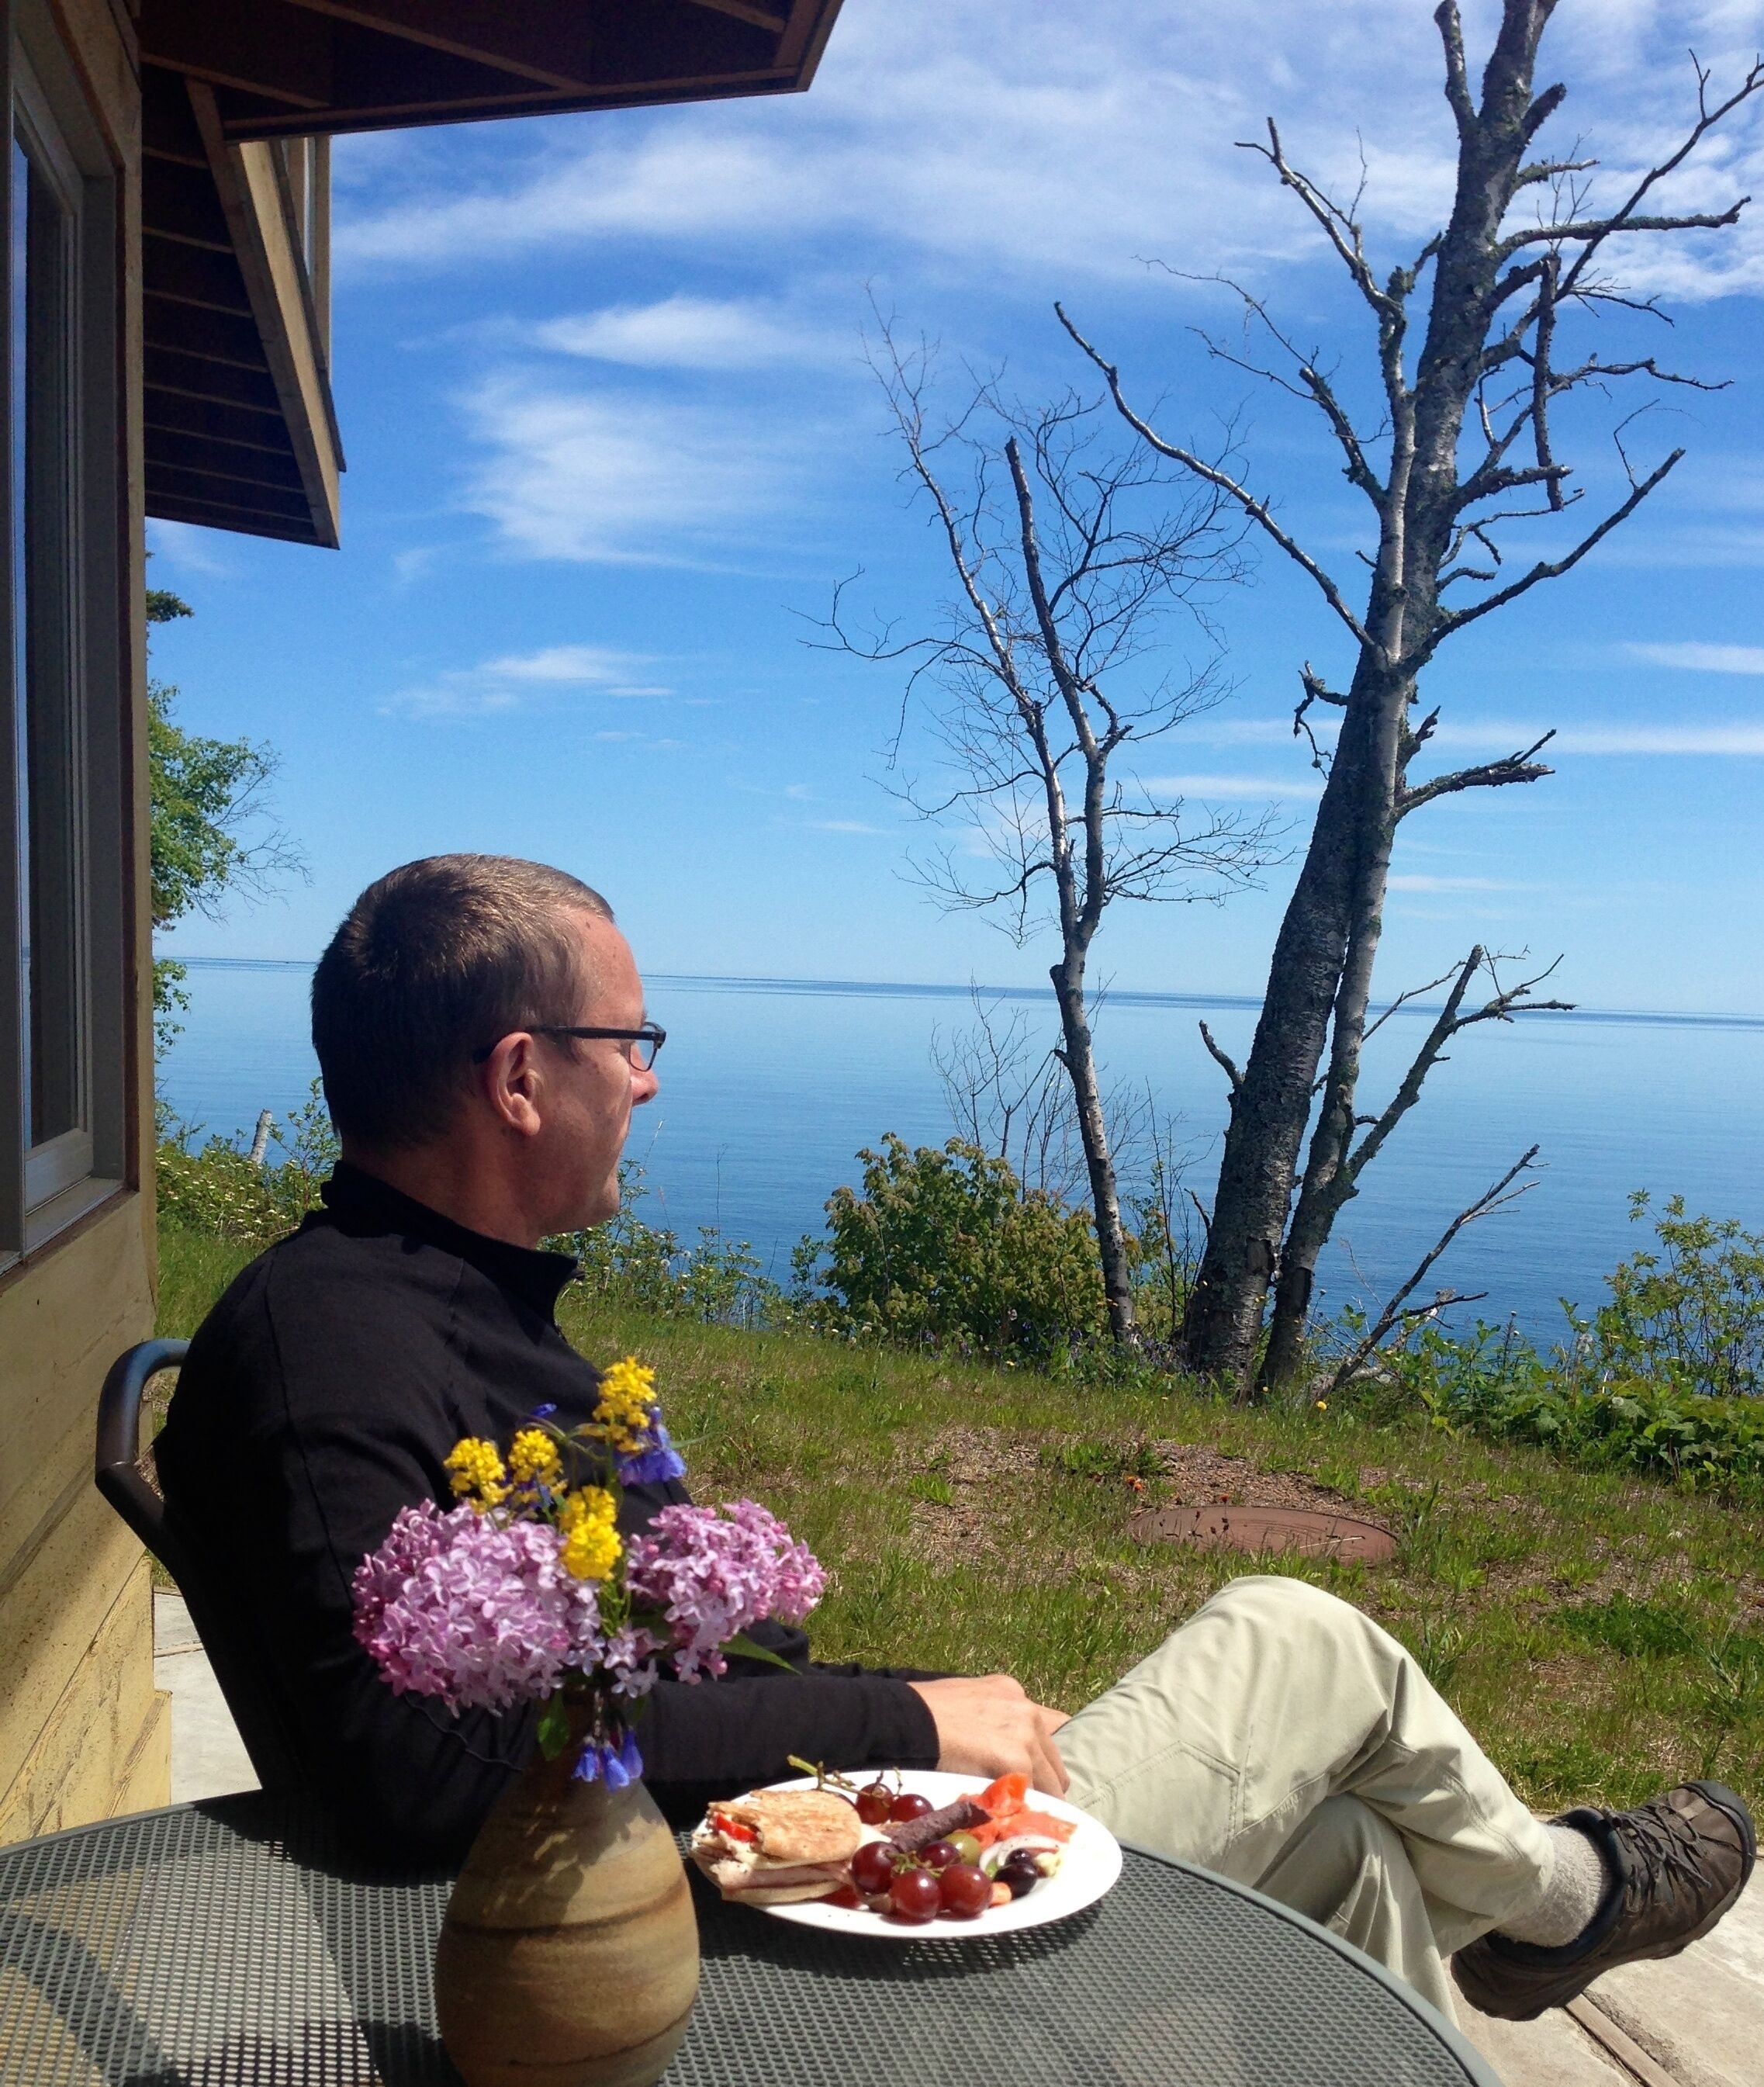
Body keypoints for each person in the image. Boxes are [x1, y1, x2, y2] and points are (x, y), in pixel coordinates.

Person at [157, 855, 1754, 2026]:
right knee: (1298, 1637)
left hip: (766, 1864)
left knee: (1349, 1852)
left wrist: (866, 1709)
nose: (645, 1080)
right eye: (628, 1042)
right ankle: (1568, 1901)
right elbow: (402, 1773)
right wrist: (912, 1721)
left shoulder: (440, 1310)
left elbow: (626, 1675)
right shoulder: (333, 1345)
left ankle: (1527, 1923)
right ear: (520, 1074)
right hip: (698, 1965)